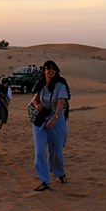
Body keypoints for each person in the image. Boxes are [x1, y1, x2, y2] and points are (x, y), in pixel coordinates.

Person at [31, 60, 69, 191]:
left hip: (56, 122)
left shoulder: (61, 86)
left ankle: (60, 173)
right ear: (44, 70)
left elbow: (60, 105)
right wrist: (37, 105)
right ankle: (45, 181)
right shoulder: (39, 84)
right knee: (40, 152)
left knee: (56, 153)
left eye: (54, 68)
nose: (51, 70)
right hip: (41, 121)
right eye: (48, 68)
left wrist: (55, 118)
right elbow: (35, 100)